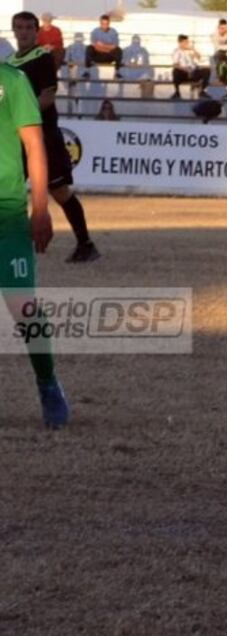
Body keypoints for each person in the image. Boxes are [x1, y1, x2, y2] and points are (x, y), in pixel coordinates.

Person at [0, 60, 71, 428]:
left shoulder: (11, 80)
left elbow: (33, 144)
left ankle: (47, 383)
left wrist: (41, 208)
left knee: (23, 307)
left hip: (6, 213)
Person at [9, 12, 99, 263]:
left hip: (43, 137)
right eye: (19, 27)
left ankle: (85, 243)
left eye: (28, 27)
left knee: (59, 191)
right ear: (13, 30)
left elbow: (48, 95)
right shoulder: (9, 63)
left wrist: (22, 118)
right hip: (16, 138)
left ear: (36, 31)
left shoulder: (42, 57)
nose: (24, 31)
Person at [172, 35, 211, 100]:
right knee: (175, 71)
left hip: (194, 72)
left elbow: (199, 57)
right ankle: (177, 92)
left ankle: (202, 91)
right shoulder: (177, 51)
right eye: (185, 42)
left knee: (207, 71)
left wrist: (193, 49)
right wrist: (186, 70)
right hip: (184, 73)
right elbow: (175, 64)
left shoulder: (190, 50)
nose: (187, 44)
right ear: (180, 42)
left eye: (187, 42)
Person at [84, 14, 122, 78]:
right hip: (98, 55)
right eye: (103, 24)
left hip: (109, 56)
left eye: (106, 24)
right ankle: (87, 71)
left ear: (109, 23)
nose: (104, 26)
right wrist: (107, 47)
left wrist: (103, 45)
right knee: (89, 48)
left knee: (119, 51)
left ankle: (117, 72)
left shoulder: (113, 32)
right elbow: (94, 45)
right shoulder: (95, 31)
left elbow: (115, 46)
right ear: (100, 23)